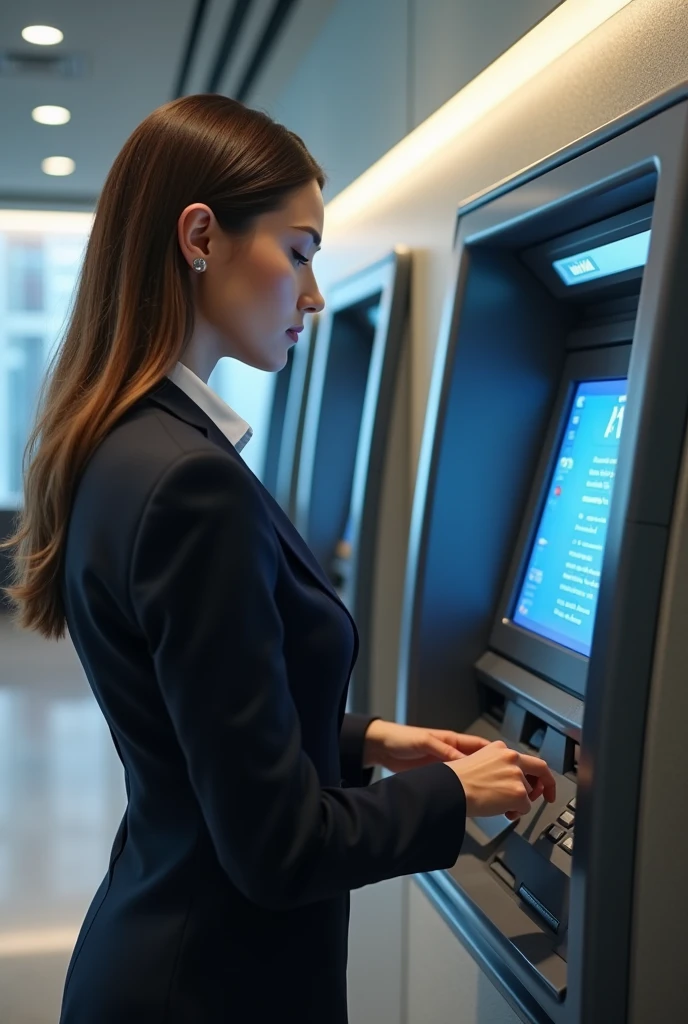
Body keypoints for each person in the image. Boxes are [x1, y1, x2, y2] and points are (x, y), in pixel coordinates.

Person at [2, 94, 556, 1024]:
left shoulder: (124, 443)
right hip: (208, 986)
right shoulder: (192, 484)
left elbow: (199, 721)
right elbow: (277, 848)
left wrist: (369, 740)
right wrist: (450, 794)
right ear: (200, 236)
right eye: (298, 252)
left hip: (159, 953)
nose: (311, 294)